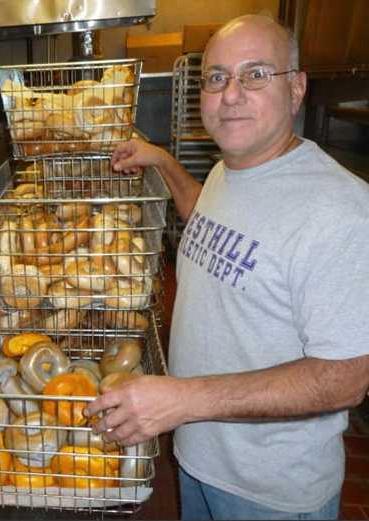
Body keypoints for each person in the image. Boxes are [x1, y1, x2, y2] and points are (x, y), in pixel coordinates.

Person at [87, 14, 369, 520]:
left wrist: (183, 401)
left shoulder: (341, 212)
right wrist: (163, 162)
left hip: (267, 492)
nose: (231, 94)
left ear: (297, 88)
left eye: (256, 74)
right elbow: (207, 218)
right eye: (216, 77)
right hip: (200, 456)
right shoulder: (229, 169)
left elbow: (345, 377)